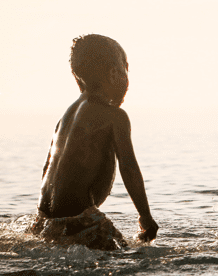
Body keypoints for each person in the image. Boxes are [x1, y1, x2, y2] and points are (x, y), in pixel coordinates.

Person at [29, 34, 159, 250]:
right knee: (131, 256)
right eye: (126, 71)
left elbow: (47, 170)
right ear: (114, 73)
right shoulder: (115, 116)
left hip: (45, 221)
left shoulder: (66, 116)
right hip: (82, 220)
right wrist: (145, 217)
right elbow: (129, 167)